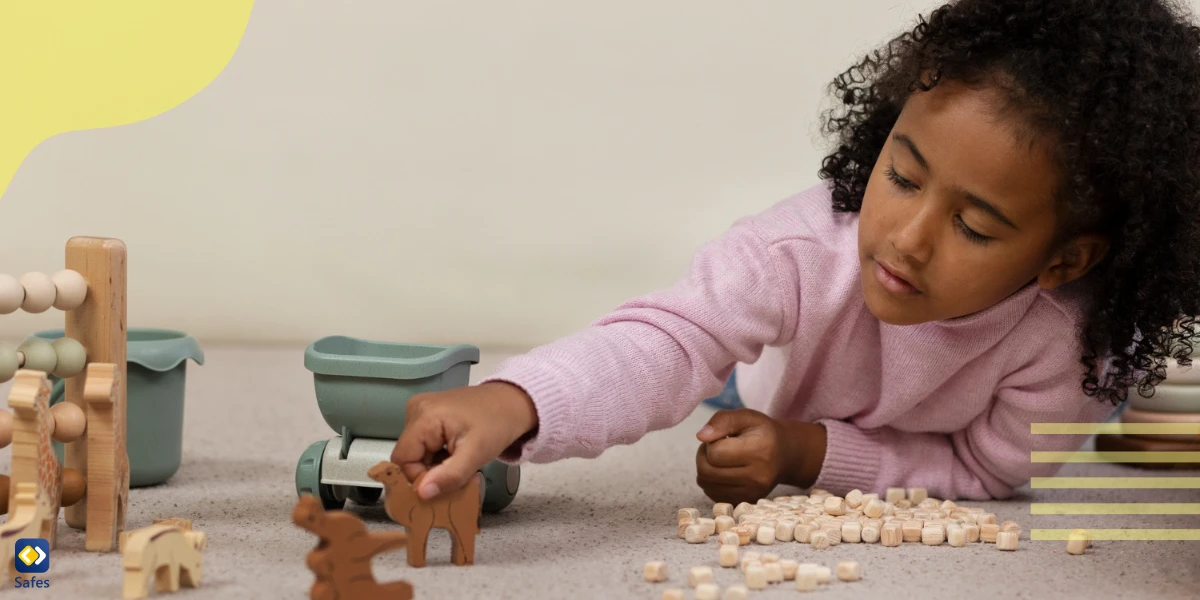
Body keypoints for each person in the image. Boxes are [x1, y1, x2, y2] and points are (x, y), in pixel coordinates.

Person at [391, 0, 1200, 503]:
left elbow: (989, 473)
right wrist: (515, 401)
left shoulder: (1065, 346)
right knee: (723, 379)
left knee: (1111, 393)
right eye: (904, 176)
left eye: (974, 228)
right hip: (786, 366)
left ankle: (1140, 404)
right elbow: (669, 341)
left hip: (1027, 391)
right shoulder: (801, 252)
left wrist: (807, 452)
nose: (907, 240)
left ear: (1062, 262)